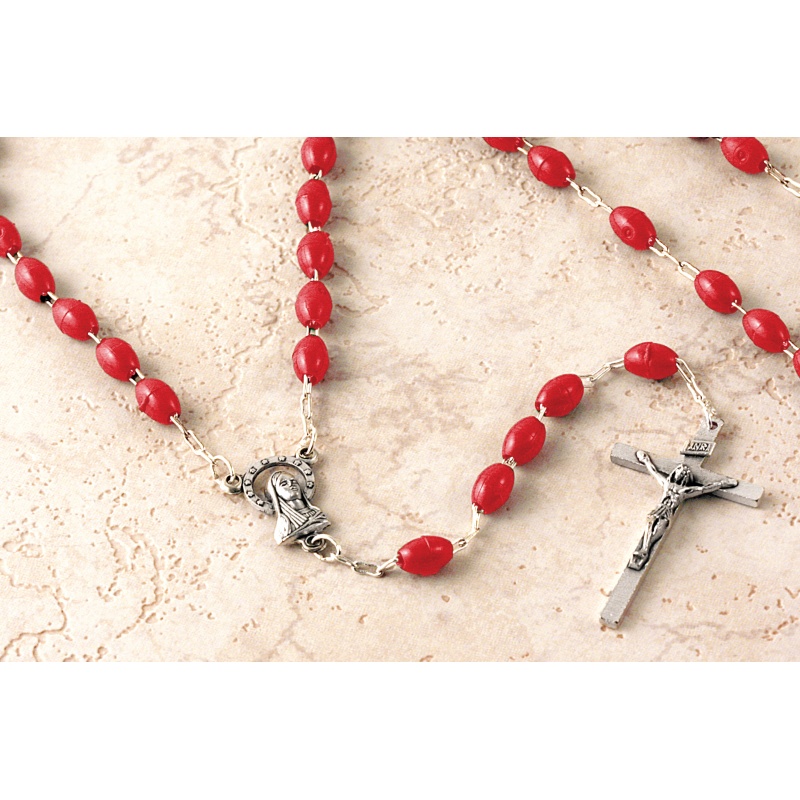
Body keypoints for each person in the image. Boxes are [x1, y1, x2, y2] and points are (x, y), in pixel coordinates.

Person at [267, 469, 330, 545]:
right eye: (284, 484)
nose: (291, 484)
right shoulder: (284, 526)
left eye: (293, 481)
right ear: (275, 492)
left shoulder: (316, 513)